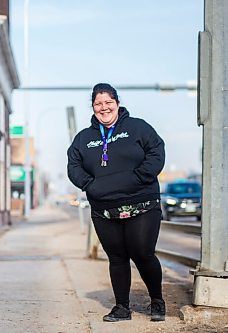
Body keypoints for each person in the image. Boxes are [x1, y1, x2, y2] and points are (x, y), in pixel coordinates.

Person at [67, 83, 166, 322]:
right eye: (98, 104)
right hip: (104, 208)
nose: (104, 107)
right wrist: (90, 186)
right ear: (93, 107)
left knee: (142, 252)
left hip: (142, 202)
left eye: (108, 102)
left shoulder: (138, 128)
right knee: (117, 257)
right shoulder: (84, 138)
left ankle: (157, 301)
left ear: (117, 103)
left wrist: (139, 178)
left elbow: (157, 151)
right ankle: (122, 307)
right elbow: (73, 166)